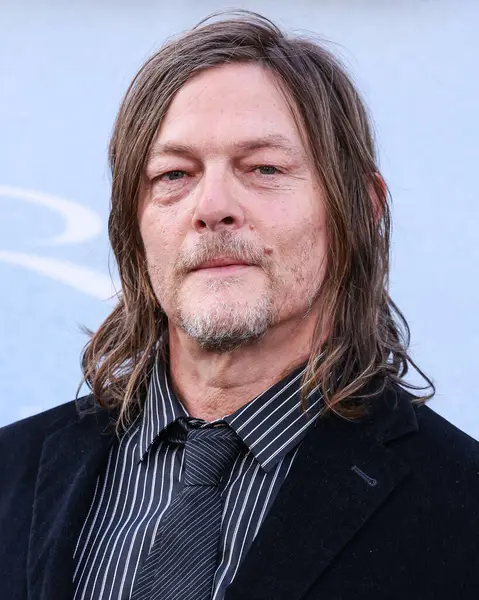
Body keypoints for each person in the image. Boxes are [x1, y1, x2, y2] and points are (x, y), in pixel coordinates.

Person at [1, 10, 478, 600]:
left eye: (264, 168)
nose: (213, 206)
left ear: (362, 208)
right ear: (134, 223)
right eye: (174, 174)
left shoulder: (461, 511)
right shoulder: (10, 475)